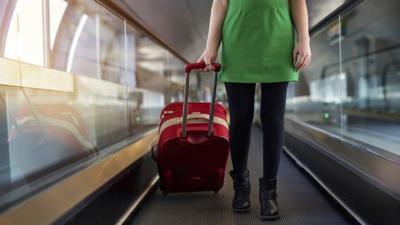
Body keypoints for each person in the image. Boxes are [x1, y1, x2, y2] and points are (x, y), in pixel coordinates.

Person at [197, 0, 311, 220]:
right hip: (237, 39)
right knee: (239, 118)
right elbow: (220, 2)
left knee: (273, 119)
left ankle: (269, 193)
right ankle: (241, 185)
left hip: (278, 39)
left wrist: (304, 39)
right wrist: (211, 47)